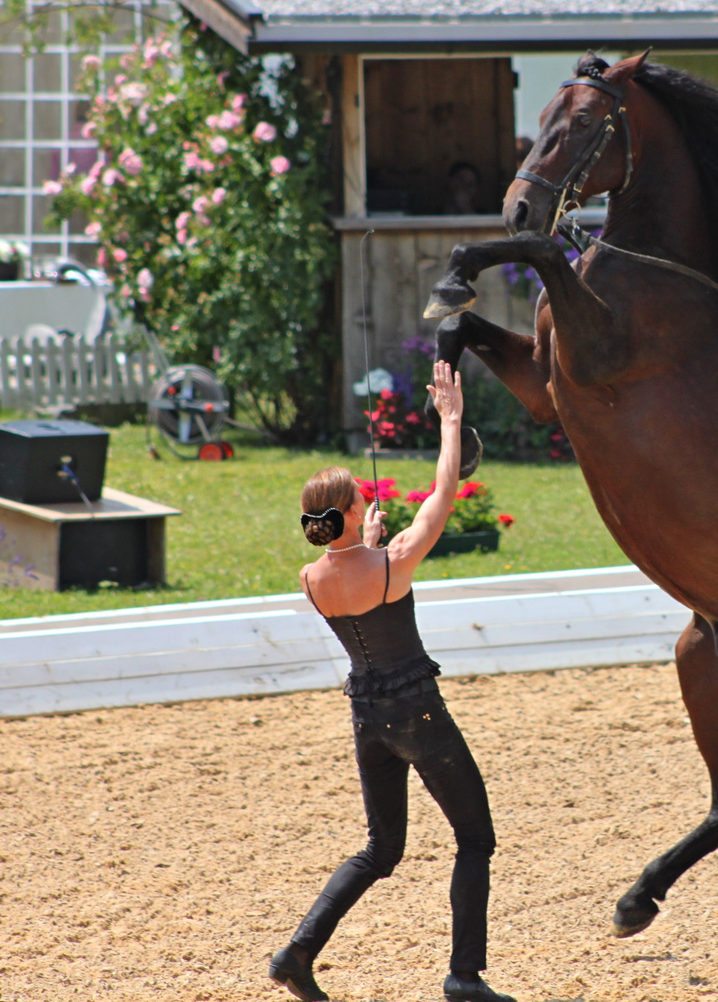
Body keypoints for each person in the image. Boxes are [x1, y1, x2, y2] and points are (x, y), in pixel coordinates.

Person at [271, 362, 516, 1002]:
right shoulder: (395, 563)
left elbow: (350, 571)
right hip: (418, 713)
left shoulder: (311, 576)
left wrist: (366, 543)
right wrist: (452, 420)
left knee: (382, 848)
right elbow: (442, 496)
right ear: (353, 513)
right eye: (360, 498)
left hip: (366, 717)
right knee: (475, 838)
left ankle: (298, 951)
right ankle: (464, 976)